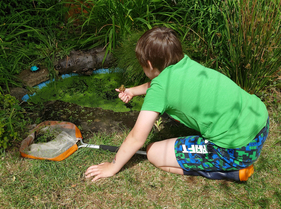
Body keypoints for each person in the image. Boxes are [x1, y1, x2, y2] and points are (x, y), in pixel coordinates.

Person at [85, 27, 269, 182]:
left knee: (153, 153)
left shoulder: (160, 89)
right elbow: (161, 83)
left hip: (237, 149)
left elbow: (136, 138)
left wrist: (112, 167)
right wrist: (133, 91)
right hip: (260, 122)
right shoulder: (185, 64)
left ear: (148, 63)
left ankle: (230, 172)